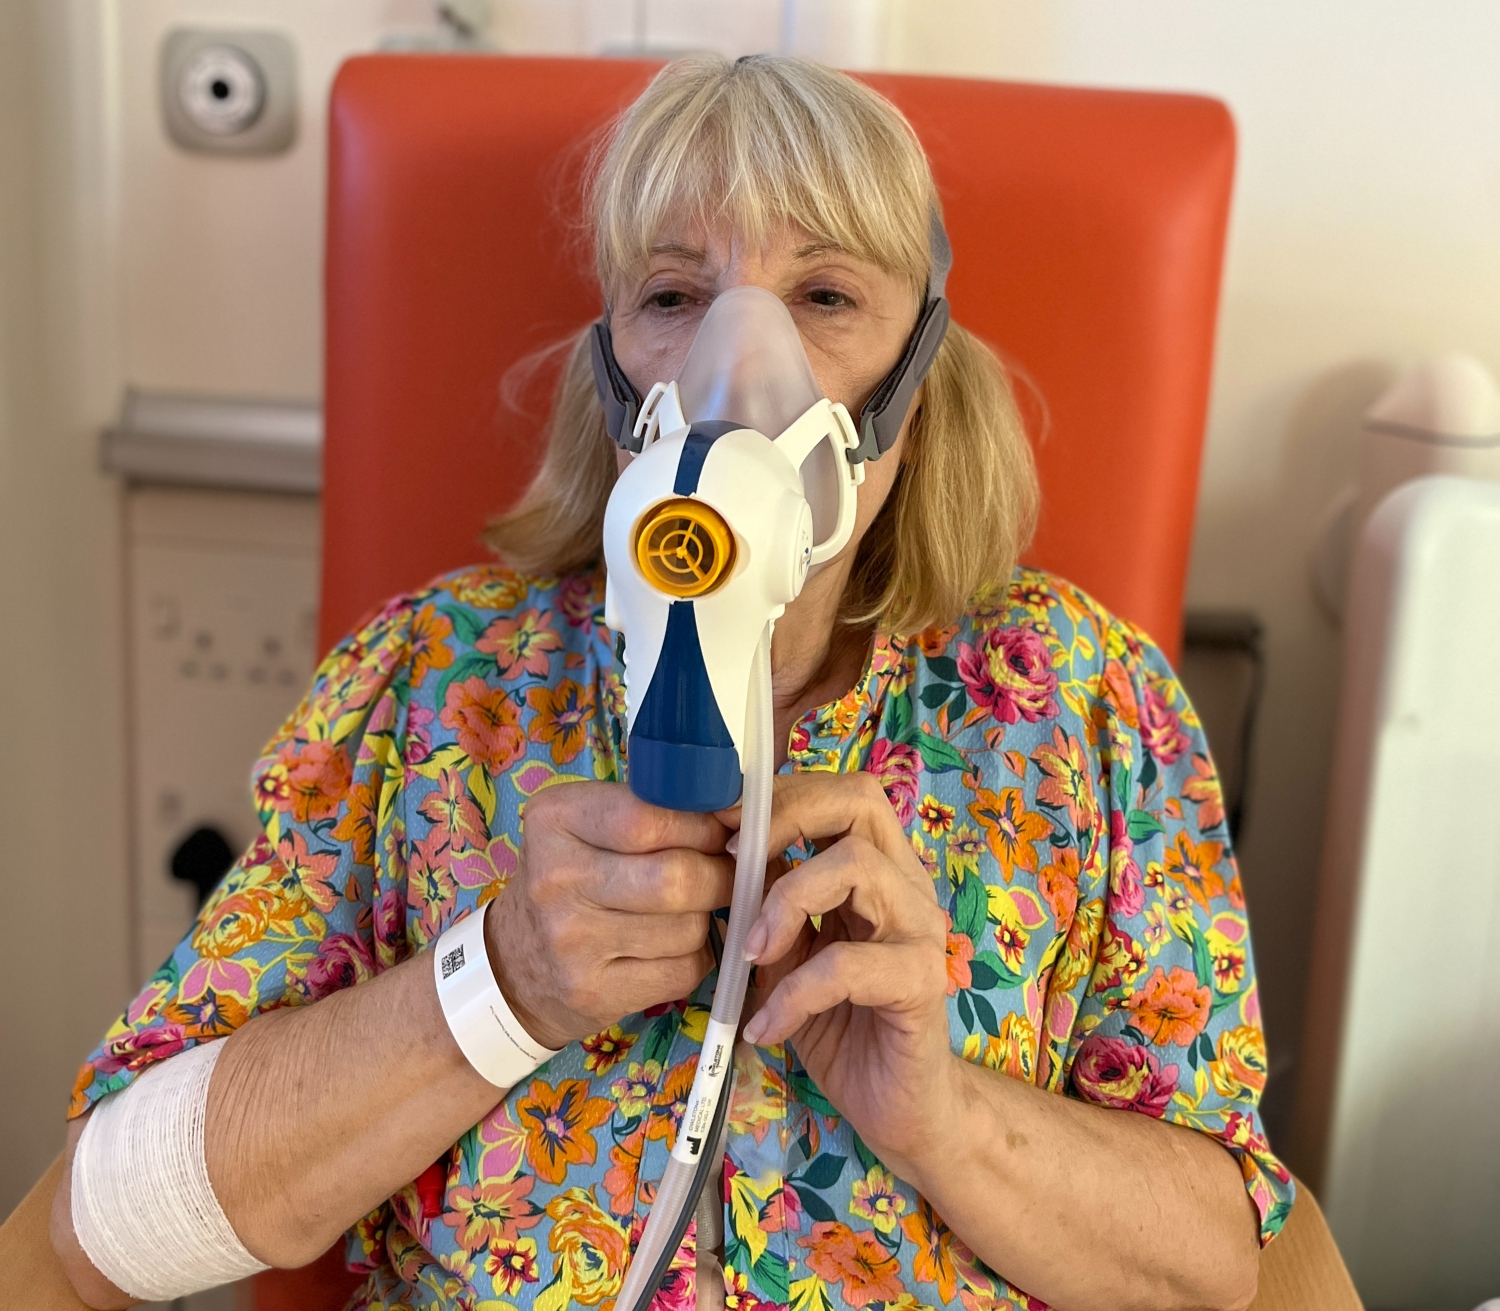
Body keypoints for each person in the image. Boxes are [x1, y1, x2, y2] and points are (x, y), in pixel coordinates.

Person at [52, 53, 1290, 1311]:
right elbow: (113, 1226)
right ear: (613, 375)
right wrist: (502, 984)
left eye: (823, 293)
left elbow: (1216, 1274)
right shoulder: (432, 683)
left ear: (917, 382)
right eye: (674, 295)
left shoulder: (1085, 705)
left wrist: (946, 1120)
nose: (736, 372)